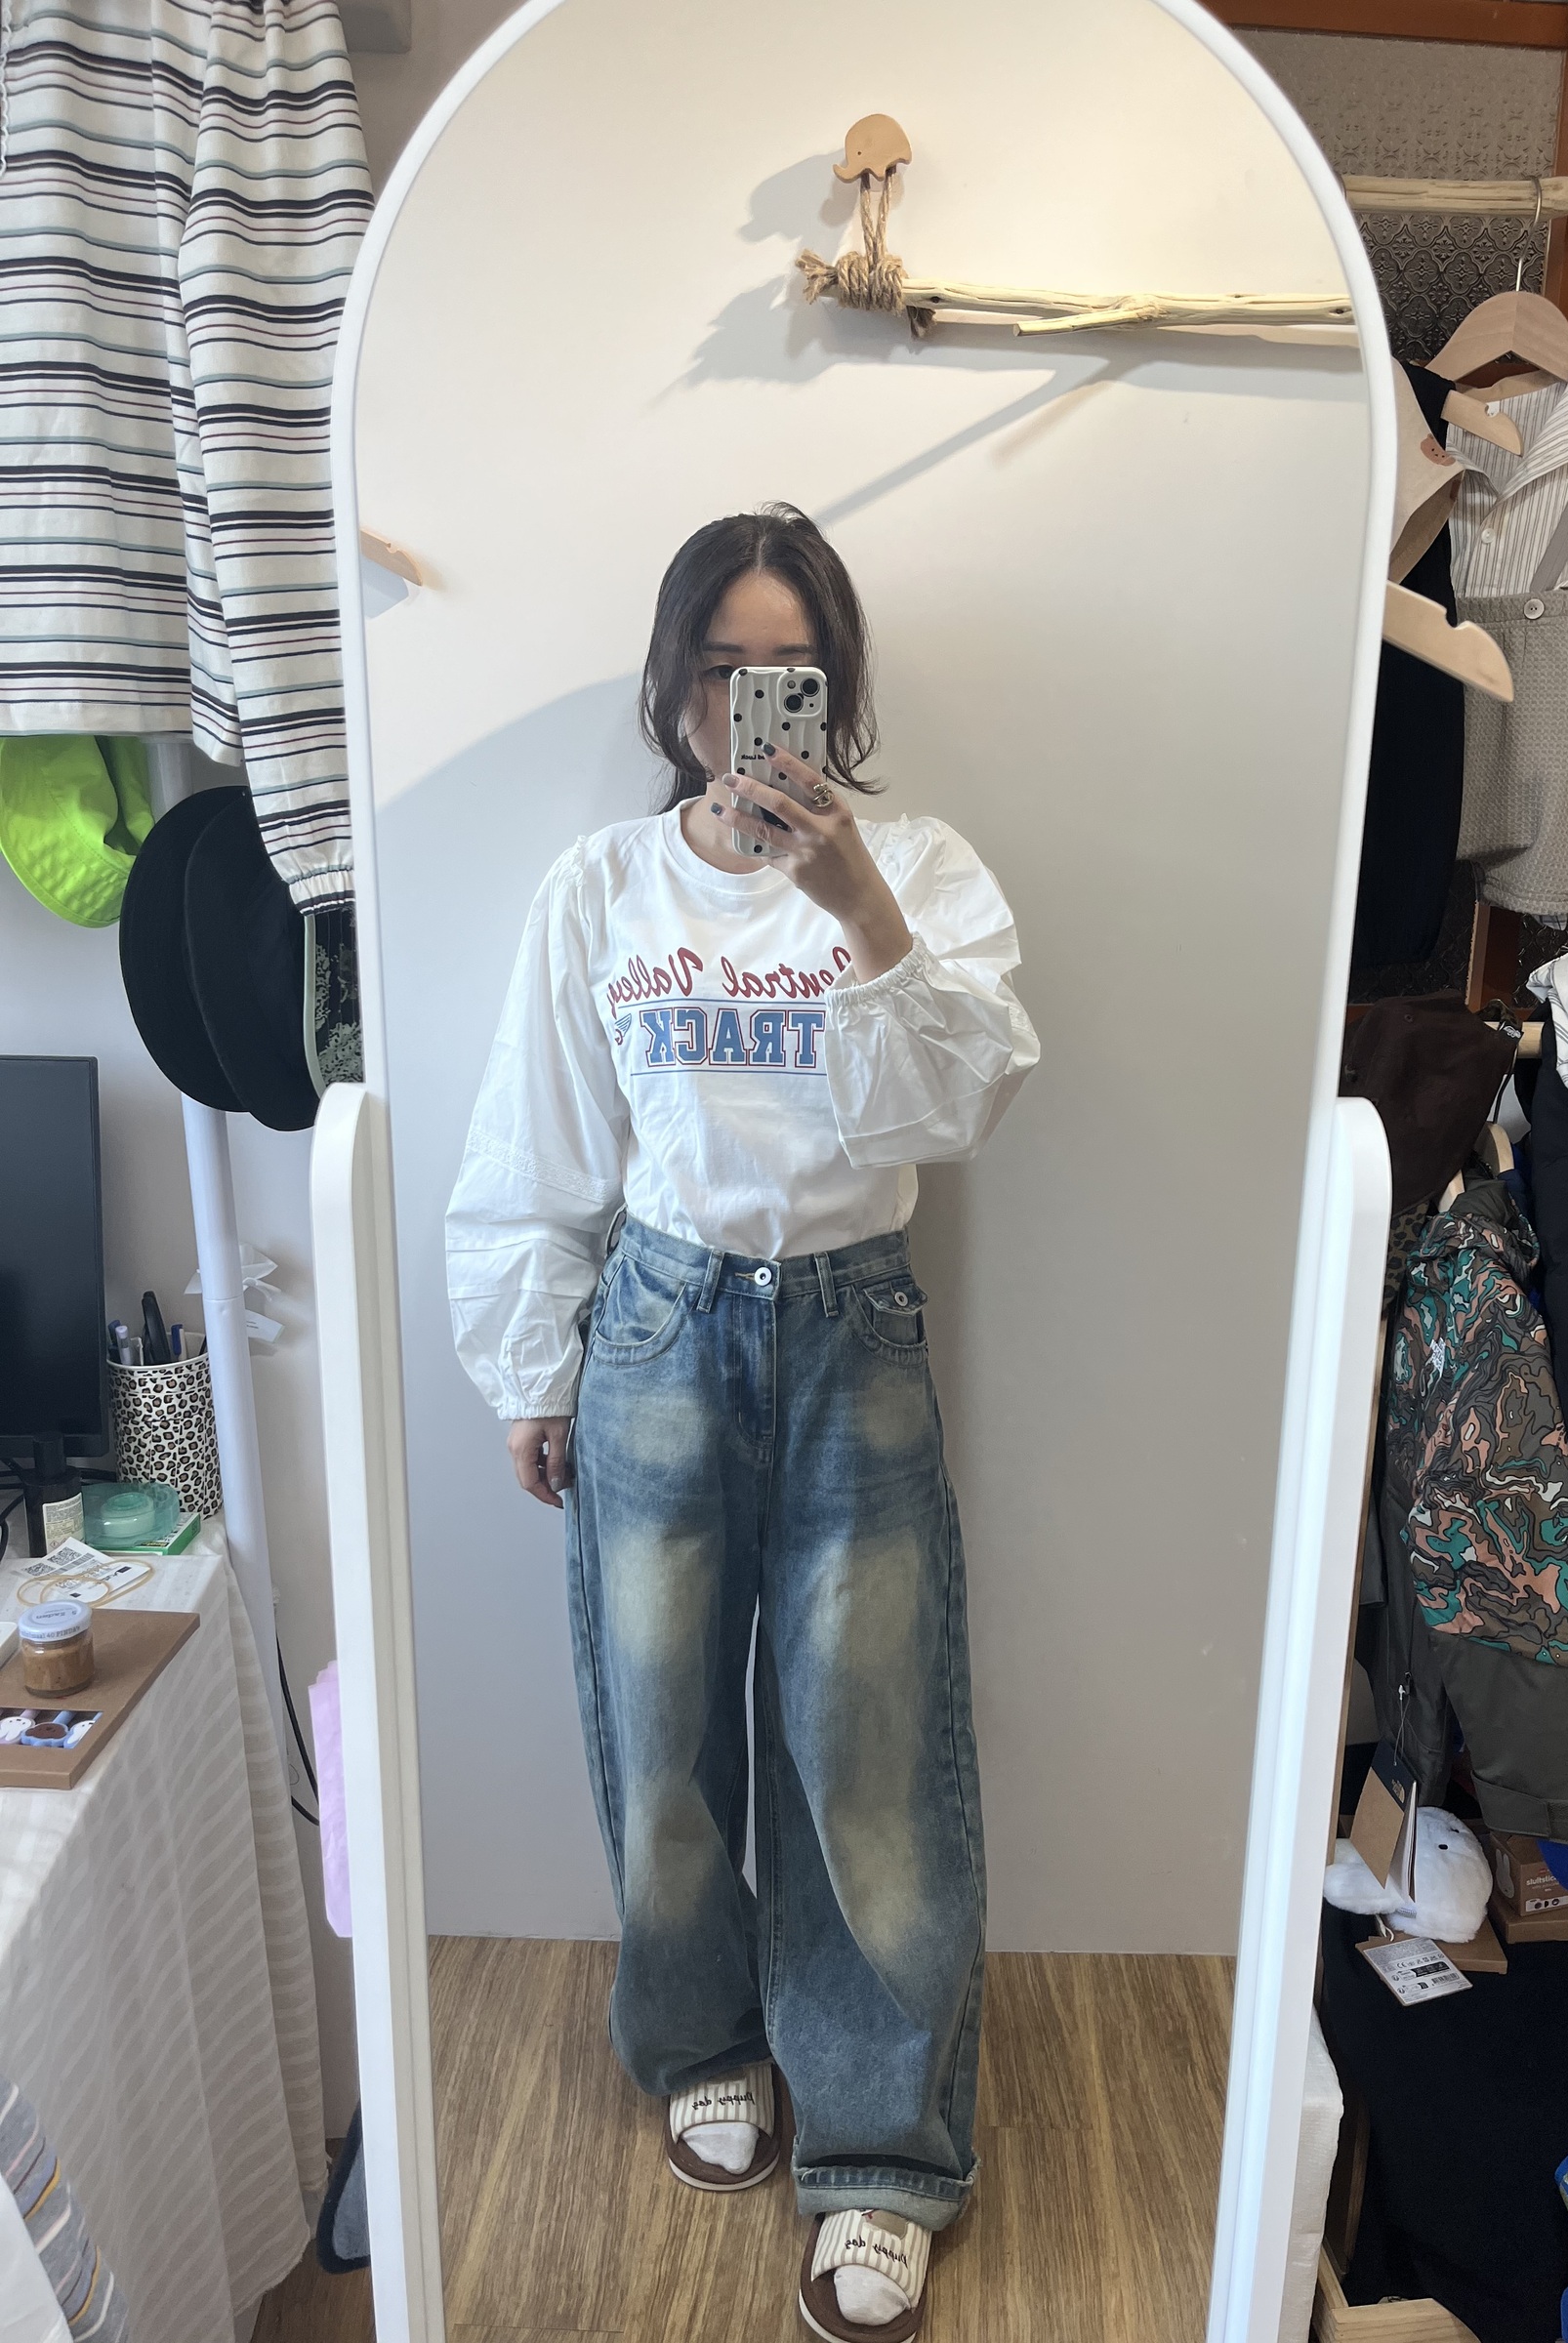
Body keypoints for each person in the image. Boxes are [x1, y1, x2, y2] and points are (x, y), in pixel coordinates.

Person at [445, 503, 1038, 2341]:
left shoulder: (919, 871)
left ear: (834, 684)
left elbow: (958, 1107)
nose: (746, 705)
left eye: (786, 669)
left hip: (852, 1330)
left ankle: (878, 2151)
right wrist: (532, 1367)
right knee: (665, 1730)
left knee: (866, 1753)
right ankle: (703, 2038)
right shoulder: (601, 889)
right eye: (718, 669)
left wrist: (854, 905)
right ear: (673, 683)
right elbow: (538, 1142)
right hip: (657, 1322)